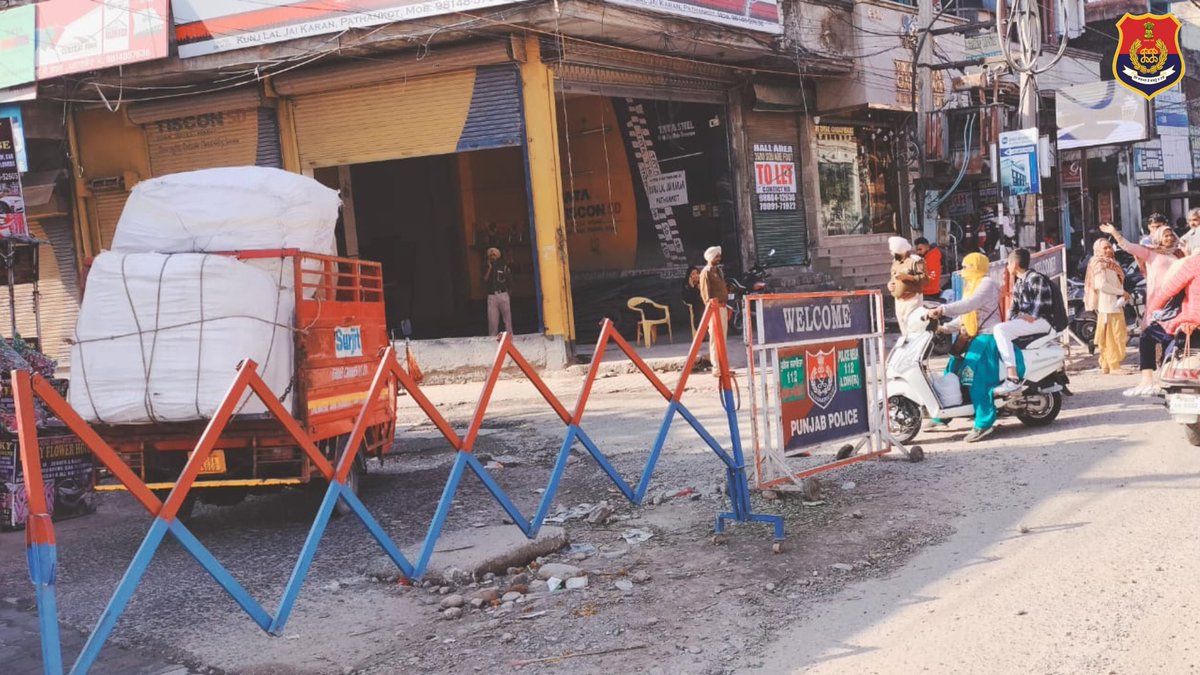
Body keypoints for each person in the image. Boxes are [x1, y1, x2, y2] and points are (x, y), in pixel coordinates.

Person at [926, 252, 1005, 442]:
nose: (962, 271)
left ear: (976, 266)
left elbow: (969, 305)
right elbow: (965, 317)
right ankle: (943, 414)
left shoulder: (986, 284)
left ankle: (983, 423)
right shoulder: (972, 284)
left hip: (986, 337)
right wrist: (945, 328)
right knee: (952, 367)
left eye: (966, 266)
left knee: (974, 376)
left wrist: (942, 309)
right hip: (971, 336)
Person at [993, 248, 1056, 396]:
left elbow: (1039, 308)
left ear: (1014, 264)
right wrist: (1021, 316)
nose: (1007, 266)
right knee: (997, 331)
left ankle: (1013, 377)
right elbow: (1013, 311)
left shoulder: (1036, 278)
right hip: (1030, 322)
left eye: (1008, 263)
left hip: (1042, 322)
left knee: (1000, 330)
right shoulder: (1019, 283)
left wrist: (1027, 316)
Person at [1084, 238, 1130, 374]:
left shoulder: (1111, 263)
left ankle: (1106, 365)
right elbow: (1101, 285)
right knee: (1113, 336)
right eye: (1105, 248)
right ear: (1098, 250)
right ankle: (1114, 366)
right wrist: (1121, 292)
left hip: (1114, 304)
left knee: (1109, 336)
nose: (1109, 250)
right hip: (1108, 305)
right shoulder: (1099, 263)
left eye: (1110, 247)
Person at [699, 246, 730, 375]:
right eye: (716, 256)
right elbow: (706, 295)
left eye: (719, 256)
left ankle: (724, 368)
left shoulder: (719, 271)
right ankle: (717, 368)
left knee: (722, 338)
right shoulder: (706, 272)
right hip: (714, 310)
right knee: (715, 339)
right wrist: (711, 309)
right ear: (711, 257)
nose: (719, 258)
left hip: (723, 307)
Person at [888, 236, 925, 335]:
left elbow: (924, 279)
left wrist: (907, 277)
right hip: (899, 301)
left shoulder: (915, 261)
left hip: (913, 299)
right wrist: (890, 285)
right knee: (904, 329)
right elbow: (892, 278)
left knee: (913, 327)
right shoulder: (895, 262)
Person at [484, 247, 513, 337]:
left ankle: (510, 337)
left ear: (498, 256)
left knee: (507, 319)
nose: (492, 256)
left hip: (503, 294)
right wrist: (489, 268)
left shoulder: (503, 266)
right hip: (492, 296)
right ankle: (492, 338)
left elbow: (510, 281)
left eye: (494, 255)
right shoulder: (486, 267)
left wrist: (508, 294)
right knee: (492, 320)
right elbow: (485, 280)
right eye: (490, 255)